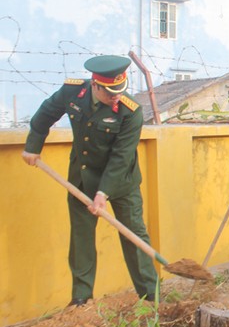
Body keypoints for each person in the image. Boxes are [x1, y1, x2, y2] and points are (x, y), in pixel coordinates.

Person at [22, 55, 158, 306]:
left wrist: (103, 193)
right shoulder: (73, 92)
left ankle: (151, 296)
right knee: (81, 239)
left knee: (133, 235)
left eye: (120, 90)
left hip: (121, 183)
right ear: (94, 85)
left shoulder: (131, 111)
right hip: (82, 179)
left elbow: (120, 157)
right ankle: (81, 299)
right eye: (109, 92)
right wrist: (33, 146)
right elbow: (45, 114)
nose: (116, 96)